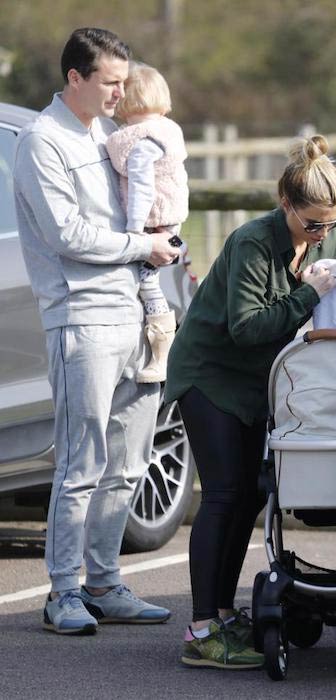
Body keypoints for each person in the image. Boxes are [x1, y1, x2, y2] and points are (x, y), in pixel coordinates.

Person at [164, 134, 336, 669]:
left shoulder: (327, 237)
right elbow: (246, 329)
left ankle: (222, 611)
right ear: (285, 203)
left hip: (259, 382)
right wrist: (309, 293)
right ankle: (200, 630)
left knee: (250, 498)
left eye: (333, 223)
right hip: (210, 375)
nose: (324, 233)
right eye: (312, 223)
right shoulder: (252, 243)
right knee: (222, 494)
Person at [13, 27, 180, 635]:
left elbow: (152, 206)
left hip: (138, 316)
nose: (120, 92)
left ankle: (105, 582)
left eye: (122, 80)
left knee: (130, 462)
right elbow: (67, 237)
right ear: (75, 79)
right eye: (109, 82)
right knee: (81, 462)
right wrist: (145, 245)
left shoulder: (113, 134)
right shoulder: (40, 142)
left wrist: (167, 242)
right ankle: (62, 591)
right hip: (81, 319)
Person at [105, 61, 189, 383]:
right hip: (171, 220)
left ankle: (162, 354)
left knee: (148, 283)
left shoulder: (140, 142)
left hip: (155, 223)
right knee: (152, 277)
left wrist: (134, 232)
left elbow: (142, 188)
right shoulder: (167, 131)